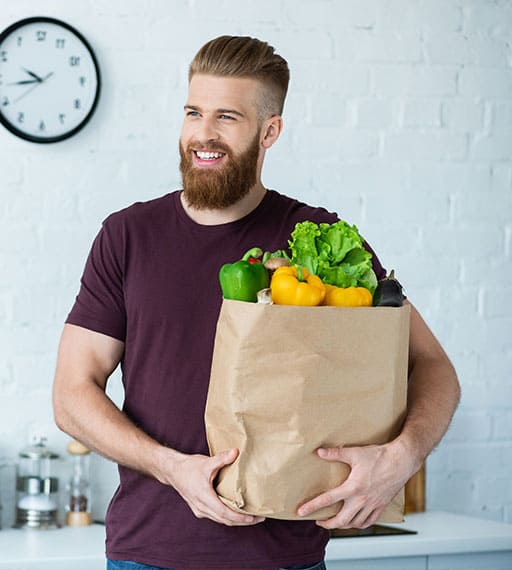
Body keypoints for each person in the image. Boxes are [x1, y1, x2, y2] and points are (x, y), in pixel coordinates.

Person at [52, 35, 460, 570]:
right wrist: (170, 466)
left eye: (227, 117)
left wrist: (400, 459)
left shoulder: (316, 238)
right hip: (147, 554)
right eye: (194, 112)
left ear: (270, 131)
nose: (203, 134)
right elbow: (71, 394)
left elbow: (433, 367)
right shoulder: (127, 236)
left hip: (286, 557)